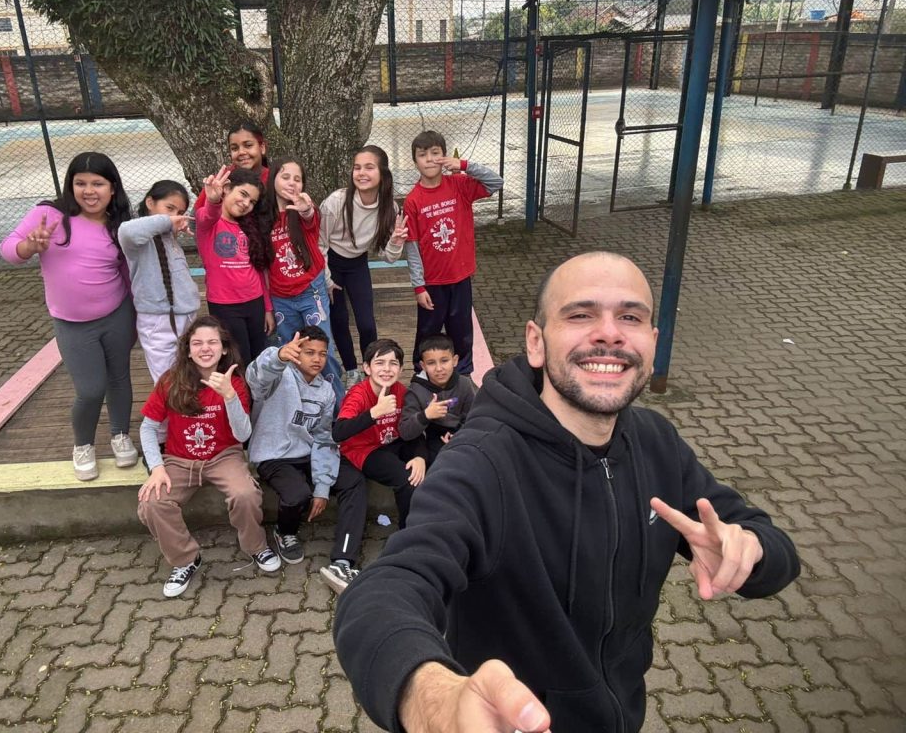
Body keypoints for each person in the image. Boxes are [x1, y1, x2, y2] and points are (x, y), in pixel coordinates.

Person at [333, 252, 801, 733]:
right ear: (536, 343)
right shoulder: (481, 464)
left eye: (630, 317)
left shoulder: (658, 443)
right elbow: (382, 595)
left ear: (652, 343)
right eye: (580, 315)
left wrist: (752, 553)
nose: (609, 333)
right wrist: (434, 700)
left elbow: (770, 546)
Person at [0, 152, 139, 481]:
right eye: (81, 183)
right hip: (73, 325)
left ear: (113, 188)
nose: (89, 191)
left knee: (119, 378)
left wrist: (136, 316)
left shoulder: (119, 224)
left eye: (98, 184)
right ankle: (84, 445)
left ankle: (120, 434)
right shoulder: (49, 215)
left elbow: (127, 273)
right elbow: (8, 249)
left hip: (117, 315)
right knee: (90, 389)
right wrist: (28, 248)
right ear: (70, 186)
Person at [137, 315, 281, 598]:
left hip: (223, 455)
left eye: (213, 342)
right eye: (197, 343)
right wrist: (156, 467)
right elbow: (148, 427)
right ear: (188, 350)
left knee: (245, 494)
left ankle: (256, 546)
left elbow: (242, 435)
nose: (205, 348)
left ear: (224, 349)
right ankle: (185, 560)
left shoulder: (235, 383)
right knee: (151, 503)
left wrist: (228, 396)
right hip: (179, 458)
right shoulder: (170, 381)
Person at [246, 327, 367, 581]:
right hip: (274, 456)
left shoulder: (326, 391)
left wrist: (323, 487)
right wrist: (278, 355)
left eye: (322, 354)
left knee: (354, 481)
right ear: (296, 352)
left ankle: (343, 558)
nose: (317, 359)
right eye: (309, 352)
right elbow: (256, 377)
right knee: (298, 494)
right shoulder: (279, 376)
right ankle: (284, 531)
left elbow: (324, 437)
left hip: (307, 455)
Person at [404, 130, 503, 376]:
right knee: (428, 330)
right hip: (432, 283)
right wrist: (418, 286)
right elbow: (412, 245)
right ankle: (421, 373)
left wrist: (464, 165)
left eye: (435, 153)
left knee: (461, 330)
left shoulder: (459, 185)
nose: (429, 159)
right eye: (422, 155)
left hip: (460, 278)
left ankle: (464, 373)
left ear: (445, 157)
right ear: (415, 161)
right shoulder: (413, 200)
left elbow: (496, 182)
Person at [319, 145, 408, 386]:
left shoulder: (389, 208)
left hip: (358, 264)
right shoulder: (336, 203)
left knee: (366, 323)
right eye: (357, 167)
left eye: (369, 167)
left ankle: (372, 368)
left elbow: (388, 257)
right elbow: (319, 244)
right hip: (331, 263)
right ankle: (350, 370)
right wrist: (326, 279)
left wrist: (396, 241)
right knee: (339, 321)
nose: (361, 173)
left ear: (383, 174)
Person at [261, 157, 345, 402]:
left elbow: (311, 217)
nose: (291, 183)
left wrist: (305, 207)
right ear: (272, 179)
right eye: (285, 177)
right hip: (280, 297)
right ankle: (299, 406)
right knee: (292, 352)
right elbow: (261, 268)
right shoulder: (261, 218)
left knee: (321, 351)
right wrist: (267, 306)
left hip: (310, 290)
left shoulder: (303, 208)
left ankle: (340, 411)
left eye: (297, 179)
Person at [332, 339, 427, 544]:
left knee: (428, 461)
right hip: (363, 450)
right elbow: (338, 432)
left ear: (401, 368)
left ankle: (433, 523)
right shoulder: (358, 394)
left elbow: (411, 431)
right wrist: (374, 412)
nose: (387, 369)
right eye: (379, 362)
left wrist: (419, 456)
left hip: (390, 442)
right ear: (366, 367)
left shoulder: (401, 391)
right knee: (407, 478)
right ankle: (408, 536)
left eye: (393, 363)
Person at [119, 180, 199, 384]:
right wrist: (168, 221)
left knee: (187, 375)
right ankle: (166, 415)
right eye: (169, 208)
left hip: (185, 316)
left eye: (180, 211)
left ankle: (186, 415)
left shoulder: (169, 238)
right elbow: (127, 232)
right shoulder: (139, 240)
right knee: (167, 380)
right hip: (159, 319)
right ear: (150, 202)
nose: (175, 215)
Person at [196, 166, 274, 367]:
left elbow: (257, 270)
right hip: (225, 306)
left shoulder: (248, 227)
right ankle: (241, 398)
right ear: (228, 188)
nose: (246, 203)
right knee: (238, 360)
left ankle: (259, 398)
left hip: (254, 302)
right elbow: (207, 215)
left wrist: (267, 308)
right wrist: (213, 200)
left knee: (258, 358)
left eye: (252, 201)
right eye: (243, 194)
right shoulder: (208, 224)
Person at [398, 333, 478, 466]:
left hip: (461, 433)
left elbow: (474, 418)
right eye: (431, 363)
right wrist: (425, 415)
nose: (439, 368)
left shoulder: (464, 384)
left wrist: (460, 436)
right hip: (432, 437)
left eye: (444, 361)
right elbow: (405, 431)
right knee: (441, 463)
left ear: (455, 360)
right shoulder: (415, 390)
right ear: (423, 366)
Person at [192, 121, 271, 214]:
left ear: (262, 148)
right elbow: (195, 217)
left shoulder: (274, 179)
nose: (241, 152)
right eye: (234, 148)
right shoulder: (221, 180)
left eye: (248, 145)